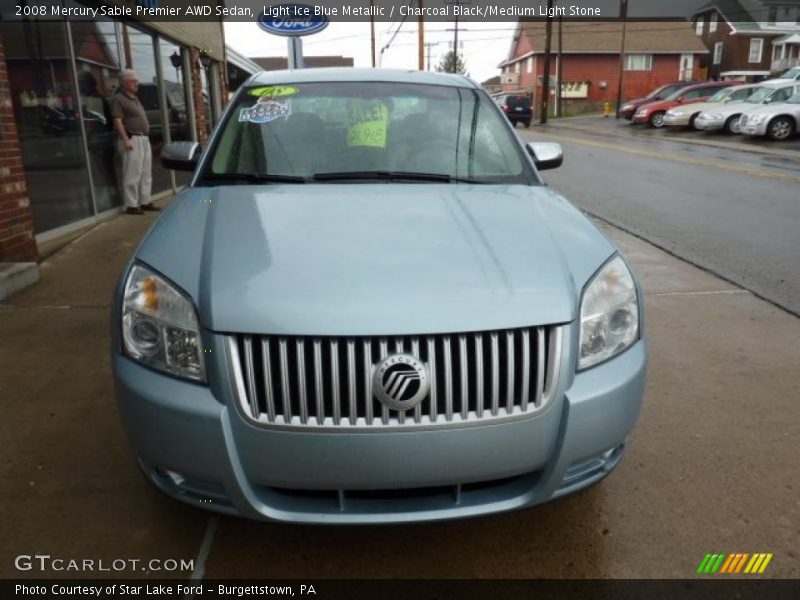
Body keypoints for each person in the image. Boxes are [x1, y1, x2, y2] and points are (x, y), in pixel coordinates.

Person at [110, 70, 159, 215]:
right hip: (132, 139)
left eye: (136, 80)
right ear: (123, 83)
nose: (137, 83)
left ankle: (145, 201)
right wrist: (125, 139)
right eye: (133, 81)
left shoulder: (134, 98)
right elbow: (117, 120)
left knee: (145, 172)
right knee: (133, 172)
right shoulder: (118, 99)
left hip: (143, 138)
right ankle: (131, 205)